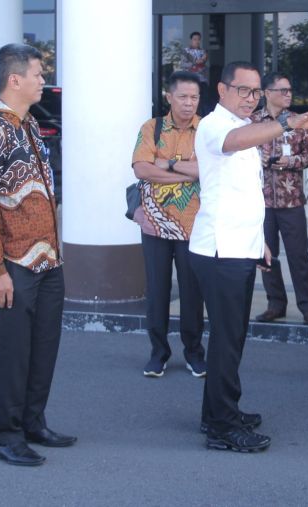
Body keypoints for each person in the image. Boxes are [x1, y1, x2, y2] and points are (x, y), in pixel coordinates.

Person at [189, 61, 308, 453]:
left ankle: (216, 412)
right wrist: (289, 124)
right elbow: (235, 142)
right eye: (243, 90)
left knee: (229, 338)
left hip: (239, 245)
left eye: (255, 92)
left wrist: (259, 243)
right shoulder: (216, 126)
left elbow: (244, 193)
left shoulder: (244, 128)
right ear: (222, 90)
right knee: (228, 339)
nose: (250, 98)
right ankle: (223, 426)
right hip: (220, 250)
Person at [0, 43, 75, 467]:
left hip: (48, 260)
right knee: (12, 353)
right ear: (15, 79)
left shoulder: (27, 125)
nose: (42, 80)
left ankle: (33, 422)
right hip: (11, 264)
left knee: (43, 347)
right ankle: (5, 435)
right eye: (37, 73)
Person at [131, 71, 206, 379]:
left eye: (194, 97)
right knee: (157, 291)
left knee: (192, 293)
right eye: (183, 97)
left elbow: (209, 171)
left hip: (195, 225)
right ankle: (158, 353)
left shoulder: (207, 130)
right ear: (169, 97)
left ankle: (193, 353)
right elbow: (141, 169)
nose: (189, 103)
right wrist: (187, 173)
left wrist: (169, 164)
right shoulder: (153, 128)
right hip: (155, 225)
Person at [250, 73, 308, 326]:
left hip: (291, 200)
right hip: (262, 202)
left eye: (290, 90)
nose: (288, 94)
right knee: (267, 256)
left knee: (299, 255)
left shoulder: (297, 121)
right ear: (267, 93)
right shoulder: (253, 121)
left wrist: (289, 162)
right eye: (282, 90)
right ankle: (275, 304)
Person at [179, 32, 211, 115]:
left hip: (202, 81)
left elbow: (205, 66)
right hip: (190, 81)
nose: (197, 41)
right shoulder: (186, 51)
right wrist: (195, 63)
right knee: (191, 101)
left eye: (199, 39)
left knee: (203, 101)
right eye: (195, 39)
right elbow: (183, 64)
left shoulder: (203, 52)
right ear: (191, 40)